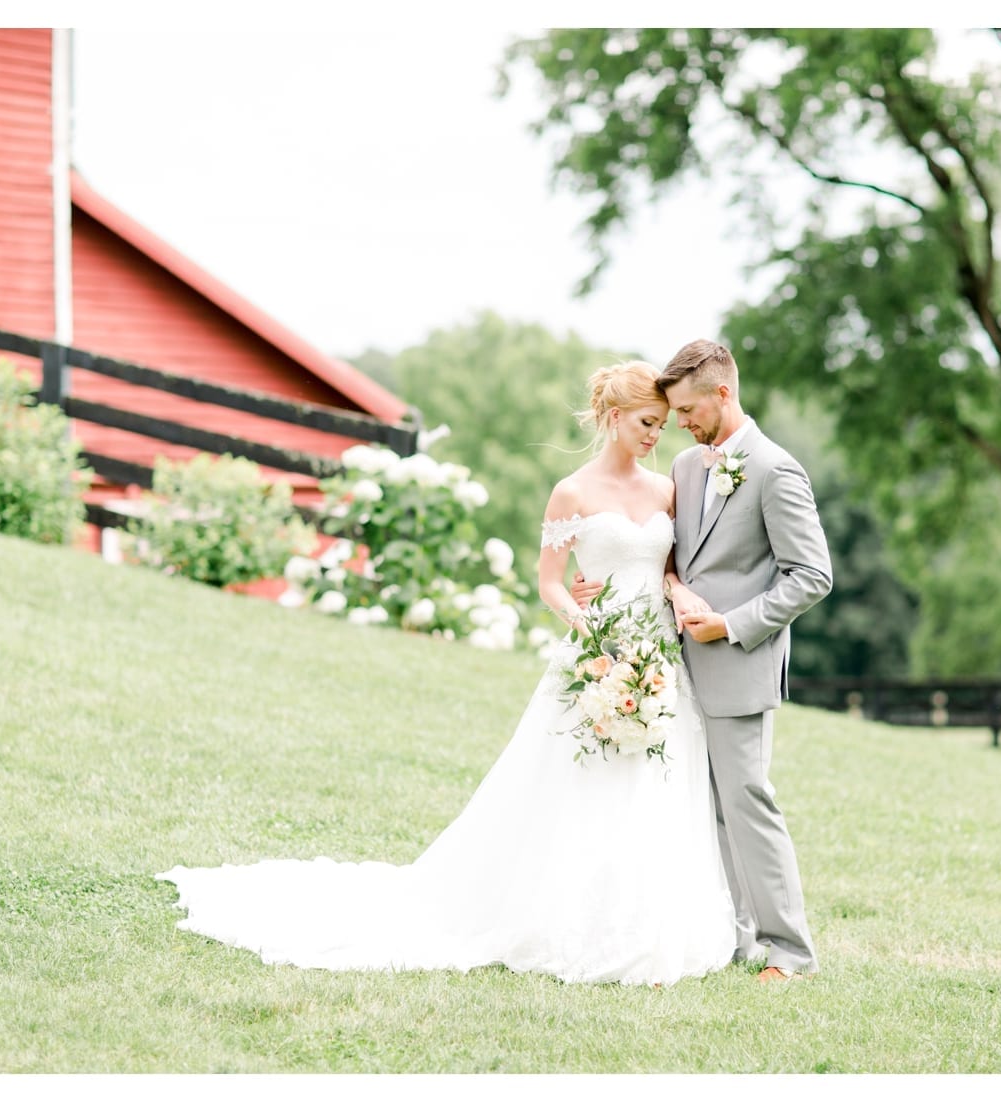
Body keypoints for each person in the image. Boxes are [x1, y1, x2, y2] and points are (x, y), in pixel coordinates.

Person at [156, 361, 736, 987]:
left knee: (654, 782)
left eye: (661, 425)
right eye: (647, 423)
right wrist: (587, 627)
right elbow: (546, 583)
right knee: (583, 784)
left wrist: (676, 595)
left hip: (657, 654)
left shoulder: (665, 491)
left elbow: (671, 566)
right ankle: (567, 917)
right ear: (613, 417)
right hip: (595, 653)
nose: (656, 435)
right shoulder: (572, 492)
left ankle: (648, 924)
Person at [572, 339, 832, 981]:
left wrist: (731, 624)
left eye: (688, 409)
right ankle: (737, 939)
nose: (679, 423)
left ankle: (790, 952)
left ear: (723, 393)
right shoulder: (687, 468)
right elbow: (672, 557)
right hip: (672, 665)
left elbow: (812, 575)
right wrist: (611, 584)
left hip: (740, 663)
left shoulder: (775, 470)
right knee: (705, 807)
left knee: (748, 801)